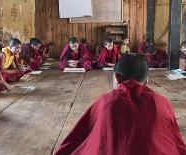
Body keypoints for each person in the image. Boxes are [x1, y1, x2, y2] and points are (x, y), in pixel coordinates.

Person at [54, 53, 186, 155]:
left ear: (117, 78)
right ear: (146, 82)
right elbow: (174, 140)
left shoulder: (105, 102)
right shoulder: (162, 102)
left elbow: (78, 139)